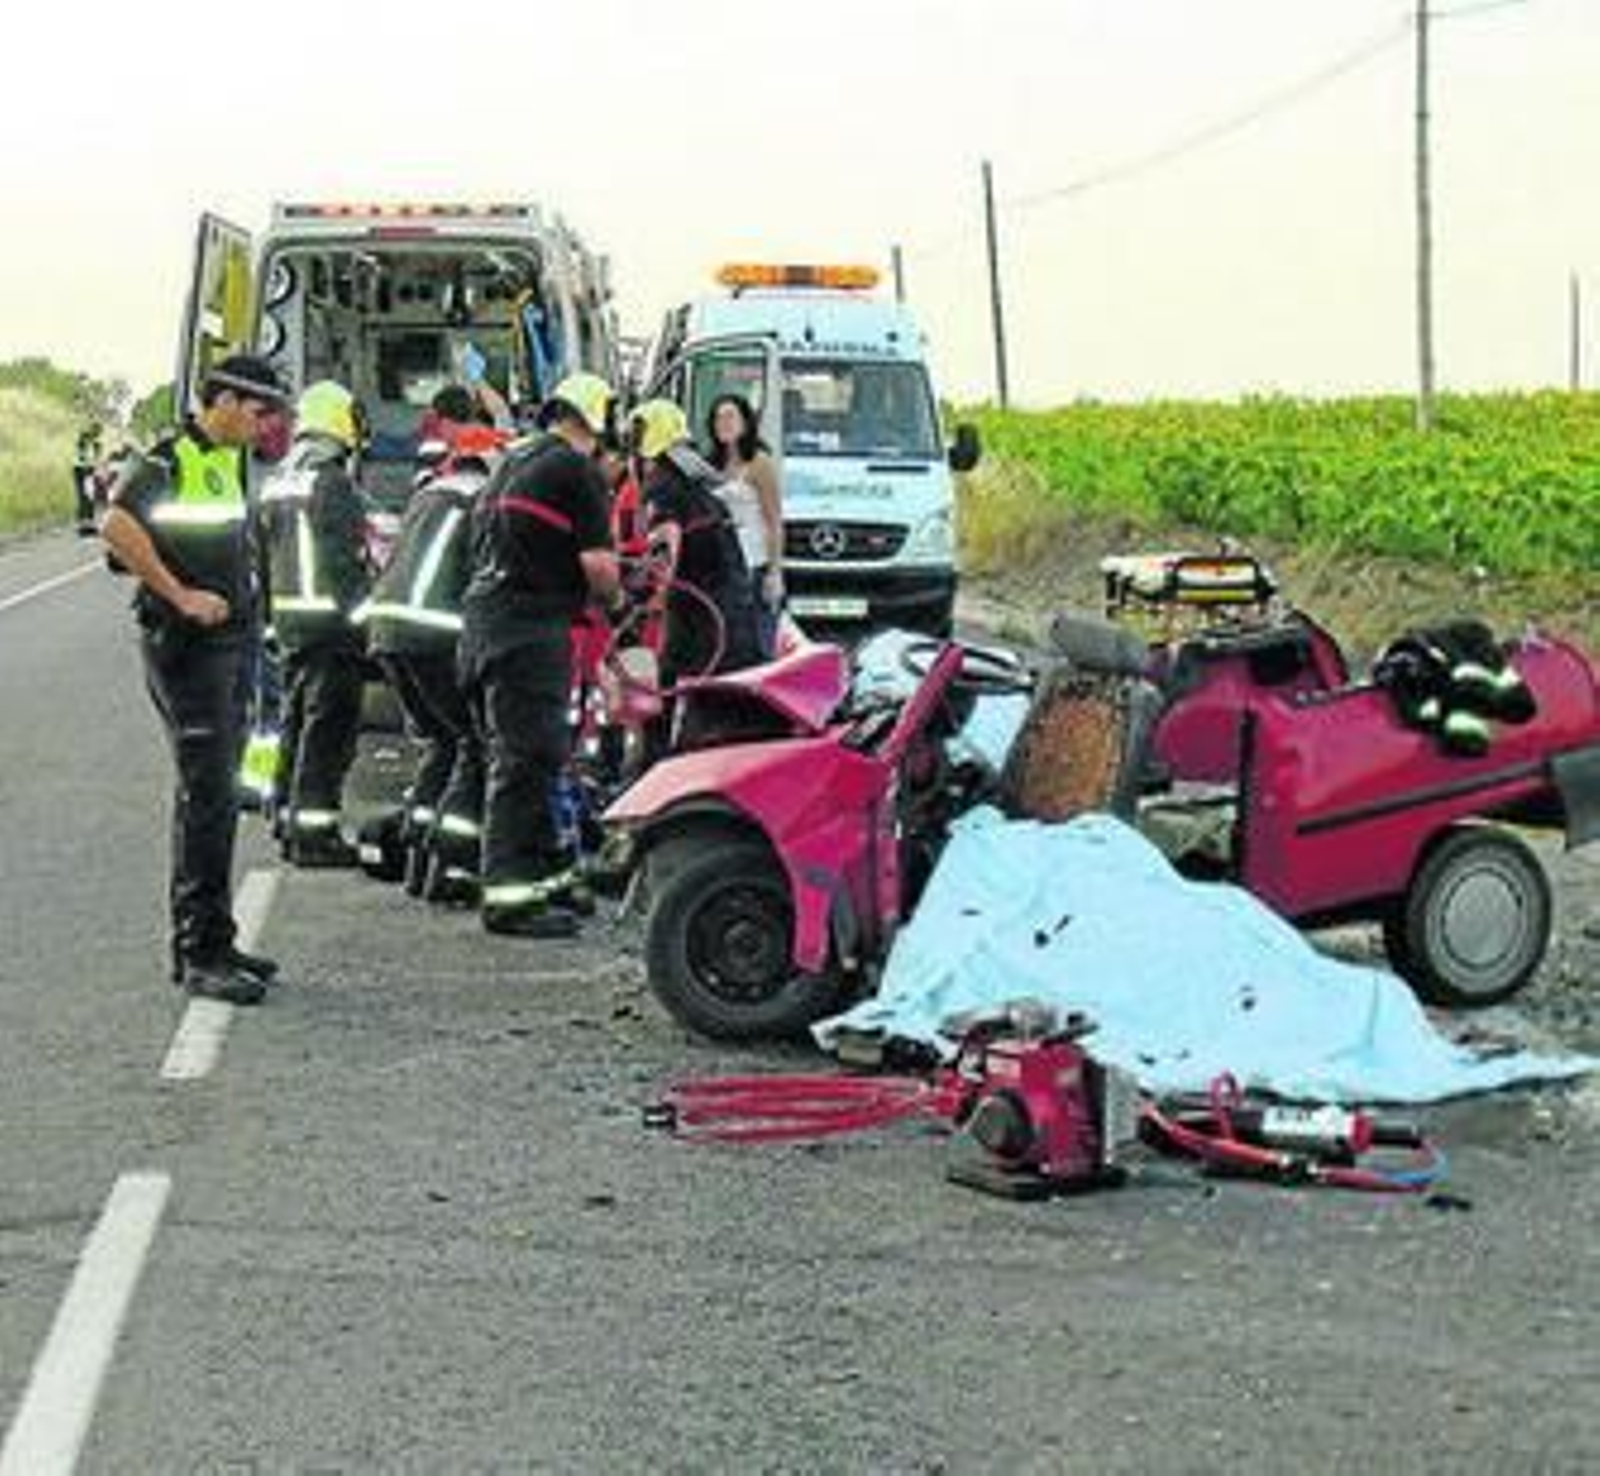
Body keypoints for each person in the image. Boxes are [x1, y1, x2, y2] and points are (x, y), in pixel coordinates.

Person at [101, 354, 288, 1005]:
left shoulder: (226, 460)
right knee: (205, 798)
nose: (267, 426)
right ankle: (200, 953)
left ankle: (216, 938)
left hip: (229, 646)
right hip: (189, 649)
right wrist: (179, 595)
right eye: (260, 411)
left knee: (219, 794)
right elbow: (117, 526)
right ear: (227, 401)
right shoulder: (167, 459)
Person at [459, 372, 626, 938]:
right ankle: (508, 897)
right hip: (529, 633)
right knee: (527, 762)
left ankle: (548, 882)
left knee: (529, 756)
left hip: (485, 627)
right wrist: (621, 598)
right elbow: (600, 568)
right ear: (597, 420)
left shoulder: (512, 460)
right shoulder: (574, 469)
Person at [356, 423, 504, 898]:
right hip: (435, 633)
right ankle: (453, 868)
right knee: (475, 744)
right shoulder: (483, 498)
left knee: (440, 742)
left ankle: (418, 859)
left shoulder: (428, 492)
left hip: (387, 631)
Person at [259, 380, 374, 866]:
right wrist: (370, 621)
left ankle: (286, 820)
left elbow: (258, 559)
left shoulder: (275, 482)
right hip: (331, 627)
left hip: (288, 623)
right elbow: (345, 566)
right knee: (327, 733)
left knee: (295, 722)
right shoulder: (333, 482)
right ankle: (315, 836)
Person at [630, 399, 762, 690]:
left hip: (701, 619)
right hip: (733, 610)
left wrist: (636, 599)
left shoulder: (662, 482)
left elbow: (663, 552)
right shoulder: (697, 475)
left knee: (671, 689)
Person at [704, 393, 784, 654]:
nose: (723, 423)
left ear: (745, 422)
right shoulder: (709, 465)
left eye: (730, 416)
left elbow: (774, 520)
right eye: (718, 418)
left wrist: (774, 571)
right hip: (721, 564)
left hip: (754, 563)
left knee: (757, 639)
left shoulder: (760, 463)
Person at [73, 424, 103, 534]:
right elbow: (81, 455)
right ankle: (82, 525)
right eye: (95, 431)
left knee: (90, 496)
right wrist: (89, 464)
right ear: (91, 429)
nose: (96, 434)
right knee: (82, 496)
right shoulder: (83, 439)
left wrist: (97, 470)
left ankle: (89, 524)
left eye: (98, 432)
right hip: (80, 470)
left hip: (89, 470)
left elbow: (97, 459)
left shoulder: (97, 444)